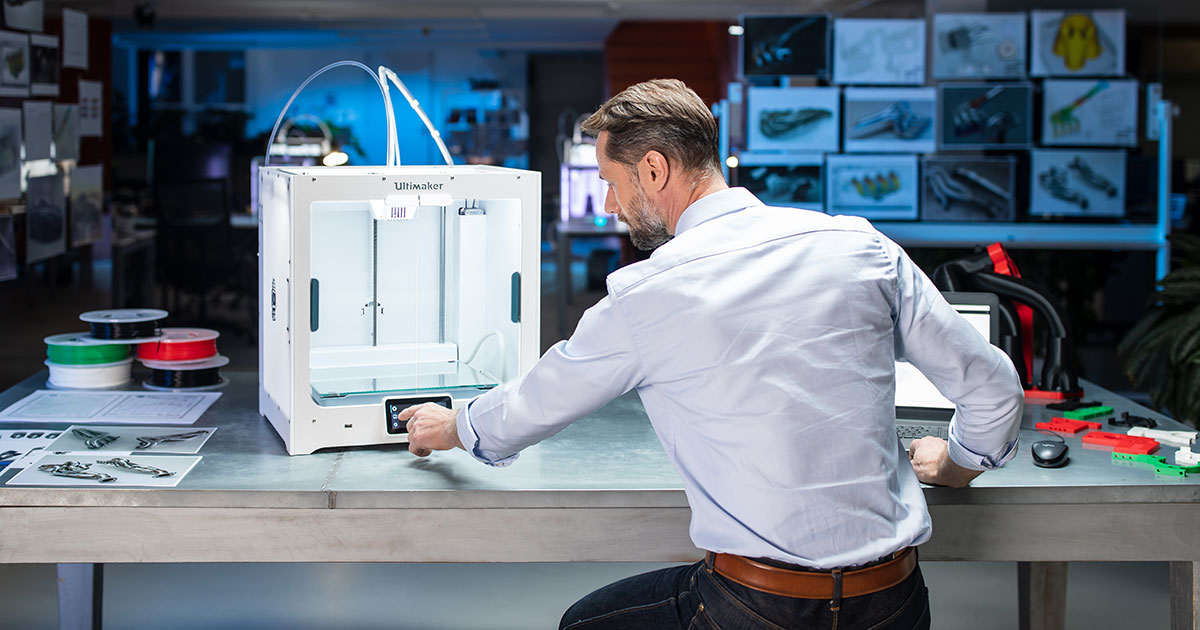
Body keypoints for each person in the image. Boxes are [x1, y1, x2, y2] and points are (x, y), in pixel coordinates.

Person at [401, 78, 1024, 630]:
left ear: (653, 169)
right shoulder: (860, 246)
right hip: (896, 601)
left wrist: (451, 427)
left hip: (759, 608)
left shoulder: (648, 292)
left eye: (611, 184)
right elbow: (994, 390)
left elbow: (538, 401)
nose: (611, 206)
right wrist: (957, 464)